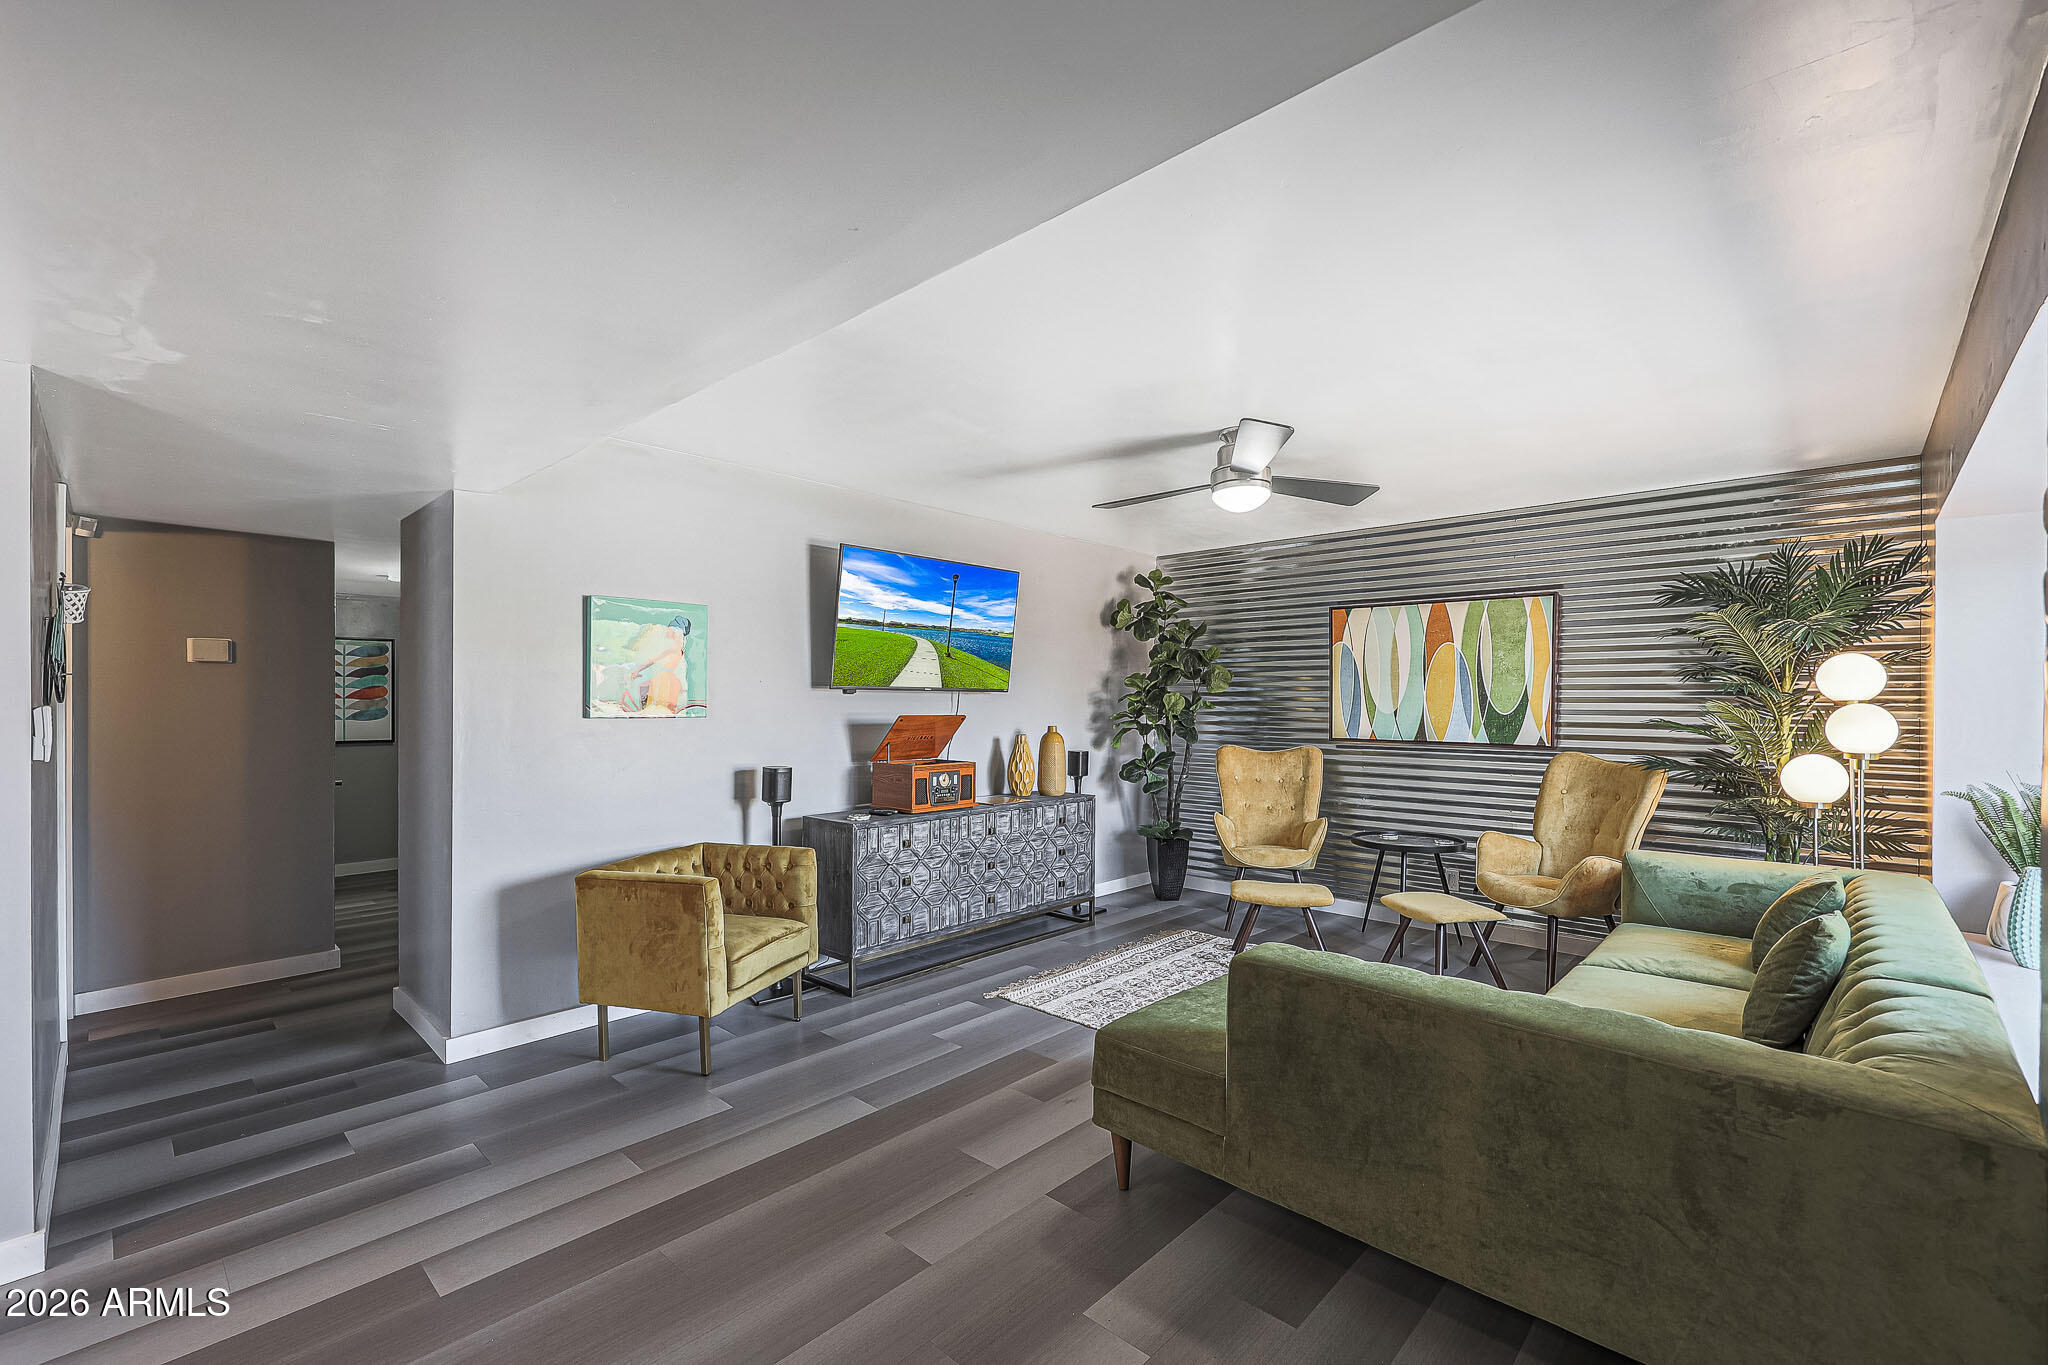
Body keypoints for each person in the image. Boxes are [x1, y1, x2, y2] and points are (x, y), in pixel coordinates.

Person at [619, 613, 693, 715]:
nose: (667, 630)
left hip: (666, 681)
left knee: (660, 709)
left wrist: (637, 671)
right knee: (646, 692)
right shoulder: (677, 648)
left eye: (670, 629)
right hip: (665, 678)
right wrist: (638, 670)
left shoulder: (673, 648)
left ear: (676, 631)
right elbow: (653, 661)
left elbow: (653, 660)